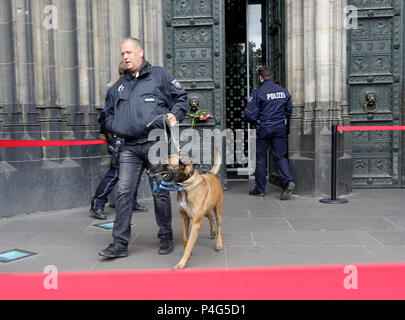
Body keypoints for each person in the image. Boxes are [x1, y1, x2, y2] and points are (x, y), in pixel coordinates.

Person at [99, 37, 189, 258]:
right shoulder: (118, 86)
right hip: (129, 147)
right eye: (122, 54)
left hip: (155, 144)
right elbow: (106, 114)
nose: (125, 57)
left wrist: (174, 114)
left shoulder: (160, 76)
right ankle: (119, 243)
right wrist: (116, 126)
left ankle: (166, 236)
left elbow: (182, 98)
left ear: (140, 52)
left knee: (159, 192)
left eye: (129, 53)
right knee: (124, 192)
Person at [90, 62, 148, 220]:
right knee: (115, 173)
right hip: (119, 138)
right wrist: (113, 134)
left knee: (135, 172)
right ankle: (97, 204)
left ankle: (131, 202)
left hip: (134, 137)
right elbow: (105, 117)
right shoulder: (115, 90)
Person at [245, 66, 295, 200]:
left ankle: (260, 189)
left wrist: (256, 121)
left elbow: (249, 114)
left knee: (261, 159)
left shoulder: (257, 93)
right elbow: (289, 111)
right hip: (279, 128)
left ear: (260, 78)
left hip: (264, 129)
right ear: (271, 76)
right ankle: (288, 181)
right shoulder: (284, 92)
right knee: (280, 157)